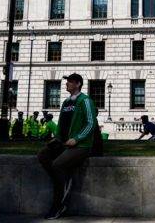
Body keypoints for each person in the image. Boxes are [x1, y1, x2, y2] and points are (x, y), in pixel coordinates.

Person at [37, 73, 99, 220]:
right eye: (67, 81)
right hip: (63, 143)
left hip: (80, 146)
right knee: (42, 155)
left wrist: (77, 139)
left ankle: (59, 205)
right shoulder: (66, 102)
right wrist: (56, 138)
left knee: (57, 165)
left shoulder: (85, 101)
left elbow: (91, 123)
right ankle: (62, 179)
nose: (67, 84)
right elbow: (62, 123)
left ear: (78, 84)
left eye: (70, 81)